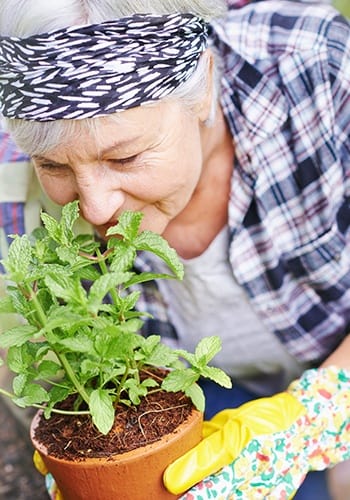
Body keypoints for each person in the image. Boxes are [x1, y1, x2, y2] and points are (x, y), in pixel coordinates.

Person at [0, 0, 349, 498]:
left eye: (124, 156)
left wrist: (317, 416)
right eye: (54, 167)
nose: (96, 209)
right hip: (189, 397)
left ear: (203, 85)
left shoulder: (317, 69)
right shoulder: (13, 188)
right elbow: (55, 367)